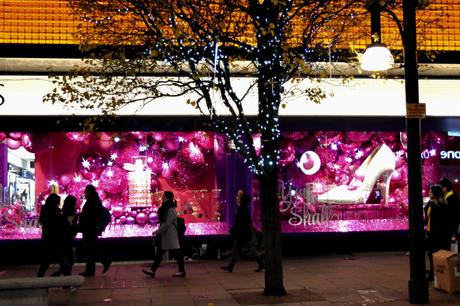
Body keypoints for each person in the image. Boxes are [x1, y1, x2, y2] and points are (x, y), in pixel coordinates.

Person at [142, 191, 186, 278]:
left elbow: (167, 223)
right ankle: (152, 270)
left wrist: (158, 231)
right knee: (162, 253)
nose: (162, 198)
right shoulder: (167, 208)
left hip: (169, 234)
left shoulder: (170, 209)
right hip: (166, 235)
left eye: (164, 196)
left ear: (168, 198)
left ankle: (181, 271)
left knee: (175, 253)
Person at [221, 191, 265, 273]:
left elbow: (241, 222)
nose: (238, 199)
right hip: (242, 232)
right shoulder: (244, 209)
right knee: (238, 248)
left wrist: (236, 230)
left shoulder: (242, 209)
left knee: (246, 247)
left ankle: (261, 263)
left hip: (242, 233)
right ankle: (231, 265)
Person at [78, 185, 112, 276]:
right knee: (90, 249)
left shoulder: (92, 201)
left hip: (90, 229)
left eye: (85, 191)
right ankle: (91, 270)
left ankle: (104, 260)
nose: (84, 193)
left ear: (88, 191)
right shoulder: (94, 200)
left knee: (89, 249)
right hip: (91, 228)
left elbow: (89, 216)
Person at [424, 185, 451, 282]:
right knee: (431, 254)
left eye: (431, 192)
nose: (429, 193)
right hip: (430, 232)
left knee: (438, 253)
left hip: (439, 234)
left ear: (436, 193)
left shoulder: (442, 206)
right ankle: (432, 273)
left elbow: (444, 221)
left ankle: (440, 274)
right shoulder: (429, 204)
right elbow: (427, 218)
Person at [37, 193, 63, 277]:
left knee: (47, 257)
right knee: (60, 257)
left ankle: (40, 275)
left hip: (46, 235)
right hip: (55, 236)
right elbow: (59, 224)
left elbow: (41, 221)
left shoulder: (44, 208)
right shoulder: (57, 211)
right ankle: (60, 275)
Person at [439, 178, 460, 248]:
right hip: (448, 225)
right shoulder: (447, 195)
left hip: (451, 226)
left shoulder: (452, 197)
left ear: (445, 188)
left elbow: (453, 214)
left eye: (440, 187)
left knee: (450, 245)